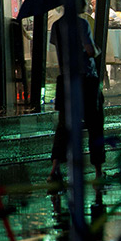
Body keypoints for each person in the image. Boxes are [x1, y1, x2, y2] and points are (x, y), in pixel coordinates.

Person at [48, 10, 106, 184]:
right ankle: (98, 171)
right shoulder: (82, 24)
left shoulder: (56, 25)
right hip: (85, 80)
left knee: (63, 126)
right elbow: (89, 50)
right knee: (95, 124)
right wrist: (96, 49)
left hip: (66, 80)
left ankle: (55, 168)